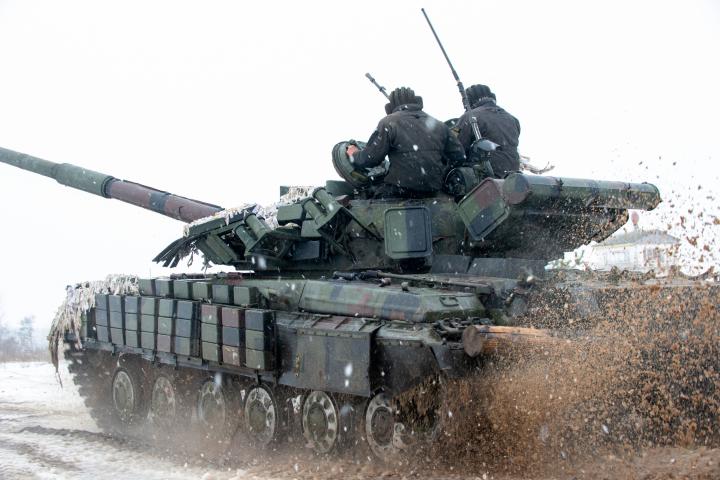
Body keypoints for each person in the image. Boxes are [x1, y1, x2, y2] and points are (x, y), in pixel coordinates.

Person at [346, 87, 465, 198]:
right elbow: (459, 156)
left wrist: (354, 154)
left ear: (390, 106)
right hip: (433, 190)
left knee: (369, 197)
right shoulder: (439, 125)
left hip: (400, 190)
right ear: (417, 102)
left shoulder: (388, 122)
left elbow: (370, 158)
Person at [454, 84, 521, 178]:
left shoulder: (469, 117)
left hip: (484, 179)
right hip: (512, 178)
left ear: (469, 101)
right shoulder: (513, 120)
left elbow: (456, 150)